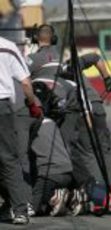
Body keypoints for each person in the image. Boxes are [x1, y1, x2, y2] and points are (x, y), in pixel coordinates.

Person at [27, 24, 111, 186]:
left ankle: (94, 192)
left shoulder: (34, 60)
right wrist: (107, 79)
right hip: (95, 106)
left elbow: (22, 80)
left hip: (75, 109)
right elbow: (95, 57)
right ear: (54, 39)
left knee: (80, 152)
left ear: (35, 39)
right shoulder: (65, 60)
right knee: (103, 151)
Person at [0, 36, 42, 224]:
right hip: (2, 107)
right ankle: (20, 211)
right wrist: (33, 104)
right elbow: (25, 82)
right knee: (9, 158)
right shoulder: (7, 47)